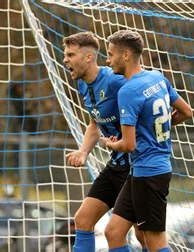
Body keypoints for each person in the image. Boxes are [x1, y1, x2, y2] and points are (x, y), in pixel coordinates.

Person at [101, 30, 193, 252]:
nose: (107, 60)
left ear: (126, 55)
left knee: (155, 243)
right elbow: (186, 112)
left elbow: (128, 145)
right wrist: (157, 129)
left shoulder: (128, 91)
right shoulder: (157, 78)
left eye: (111, 54)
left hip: (150, 174)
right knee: (113, 231)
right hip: (140, 173)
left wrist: (110, 144)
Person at [62, 32, 145, 251]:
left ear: (89, 57)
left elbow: (144, 91)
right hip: (116, 165)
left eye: (71, 54)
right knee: (83, 220)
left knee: (142, 235)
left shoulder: (114, 80)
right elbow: (94, 122)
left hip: (136, 167)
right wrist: (83, 152)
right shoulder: (83, 85)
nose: (65, 60)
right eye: (65, 54)